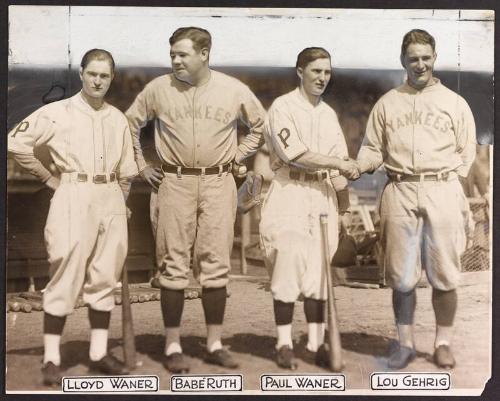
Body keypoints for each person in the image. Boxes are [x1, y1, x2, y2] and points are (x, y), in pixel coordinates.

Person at [125, 26, 266, 373]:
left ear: (204, 54)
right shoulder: (158, 88)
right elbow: (128, 123)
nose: (175, 60)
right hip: (174, 181)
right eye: (172, 54)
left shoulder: (233, 89)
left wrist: (240, 154)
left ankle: (214, 343)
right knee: (173, 264)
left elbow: (261, 125)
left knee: (216, 263)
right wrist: (141, 165)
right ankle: (172, 344)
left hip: (219, 181)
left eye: (182, 54)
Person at [8, 49, 138, 385]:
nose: (98, 81)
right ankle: (51, 358)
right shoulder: (57, 112)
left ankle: (98, 353)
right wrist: (47, 177)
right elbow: (16, 143)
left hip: (109, 194)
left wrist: (120, 200)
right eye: (92, 73)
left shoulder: (117, 118)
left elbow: (126, 171)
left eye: (104, 76)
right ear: (81, 73)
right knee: (64, 269)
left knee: (105, 275)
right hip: (72, 191)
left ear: (112, 78)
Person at [354, 29, 476, 369]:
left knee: (445, 272)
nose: (420, 64)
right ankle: (405, 343)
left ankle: (443, 342)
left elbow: (467, 152)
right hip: (400, 188)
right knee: (402, 274)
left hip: (442, 188)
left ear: (435, 58)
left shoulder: (454, 102)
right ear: (402, 60)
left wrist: (451, 185)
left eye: (425, 57)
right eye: (413, 58)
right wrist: (355, 167)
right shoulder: (388, 103)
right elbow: (371, 149)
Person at [259, 47, 357, 369]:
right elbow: (295, 154)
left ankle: (316, 344)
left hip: (322, 194)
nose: (322, 78)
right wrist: (339, 163)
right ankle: (284, 343)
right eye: (316, 71)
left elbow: (338, 168)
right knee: (287, 259)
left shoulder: (328, 114)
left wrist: (343, 204)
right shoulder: (282, 107)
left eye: (327, 72)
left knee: (318, 270)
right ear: (299, 71)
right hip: (290, 188)